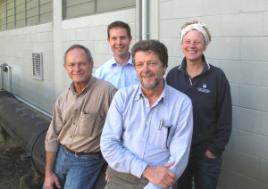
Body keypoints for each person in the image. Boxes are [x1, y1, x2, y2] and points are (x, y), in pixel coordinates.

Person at [100, 39, 193, 189]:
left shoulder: (182, 104)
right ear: (135, 69)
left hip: (161, 180)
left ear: (164, 67)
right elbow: (108, 144)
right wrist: (146, 170)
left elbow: (178, 158)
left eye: (152, 63)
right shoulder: (122, 97)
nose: (145, 69)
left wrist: (155, 182)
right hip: (120, 176)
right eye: (139, 64)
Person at [166, 21, 232, 189]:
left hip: (206, 153)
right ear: (182, 44)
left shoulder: (217, 76)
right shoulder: (173, 76)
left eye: (197, 41)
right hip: (178, 152)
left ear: (205, 45)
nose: (192, 46)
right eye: (187, 41)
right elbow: (165, 112)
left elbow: (225, 117)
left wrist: (214, 150)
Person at [43, 44, 117, 189]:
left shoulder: (108, 92)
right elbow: (52, 136)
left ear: (91, 64)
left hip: (87, 162)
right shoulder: (63, 98)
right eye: (72, 64)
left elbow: (121, 130)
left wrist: (113, 164)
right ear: (66, 68)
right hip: (61, 155)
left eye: (81, 63)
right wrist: (48, 173)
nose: (76, 69)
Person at [95, 21, 139, 89]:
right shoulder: (100, 73)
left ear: (130, 39)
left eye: (122, 38)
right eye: (114, 38)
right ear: (109, 41)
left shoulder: (142, 69)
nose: (119, 42)